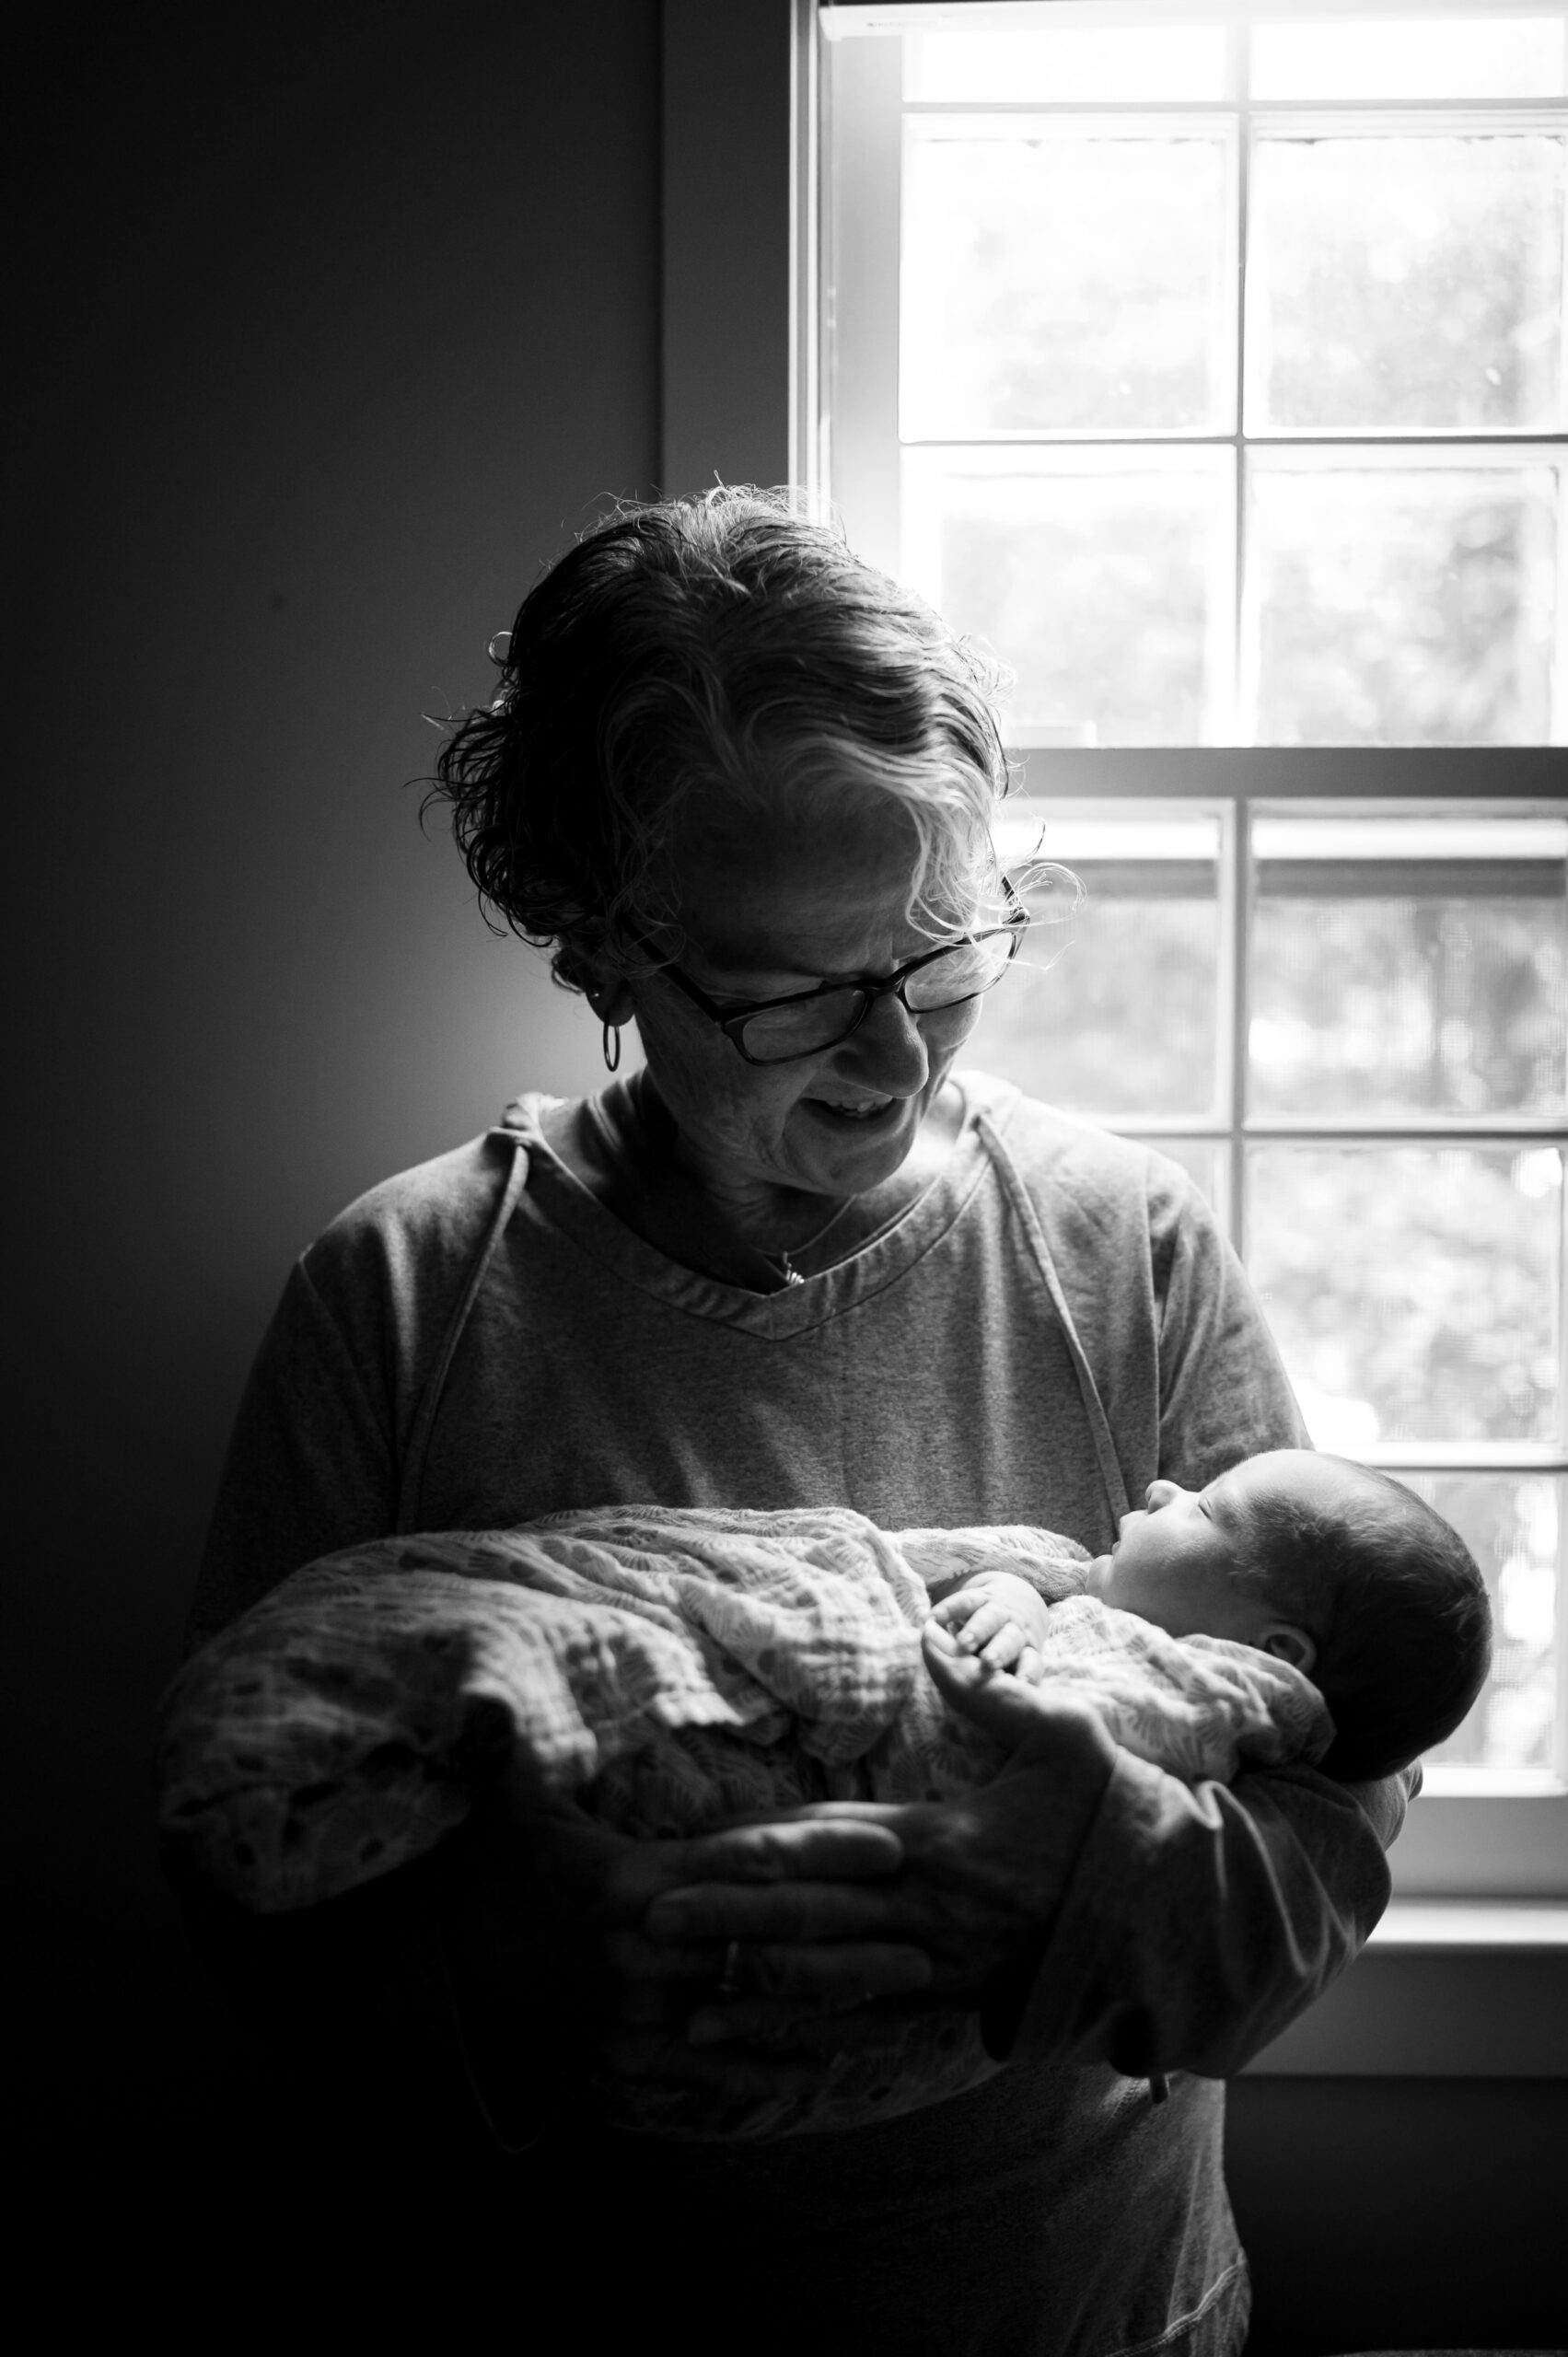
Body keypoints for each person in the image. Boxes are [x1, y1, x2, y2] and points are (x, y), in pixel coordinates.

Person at [182, 487, 1414, 2354]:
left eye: (937, 953)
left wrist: (1088, 1885)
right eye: (787, 994)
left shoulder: (1123, 1252)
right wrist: (503, 1976)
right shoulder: (409, 1300)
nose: (893, 1051)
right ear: (603, 952)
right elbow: (237, 1867)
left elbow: (1334, 1817)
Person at [937, 1447, 1492, 1783]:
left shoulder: (1186, 1722)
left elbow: (995, 1719)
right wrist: (1015, 1596)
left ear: (1267, 1658)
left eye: (1204, 1507)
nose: (1162, 1489)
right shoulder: (1093, 1609)